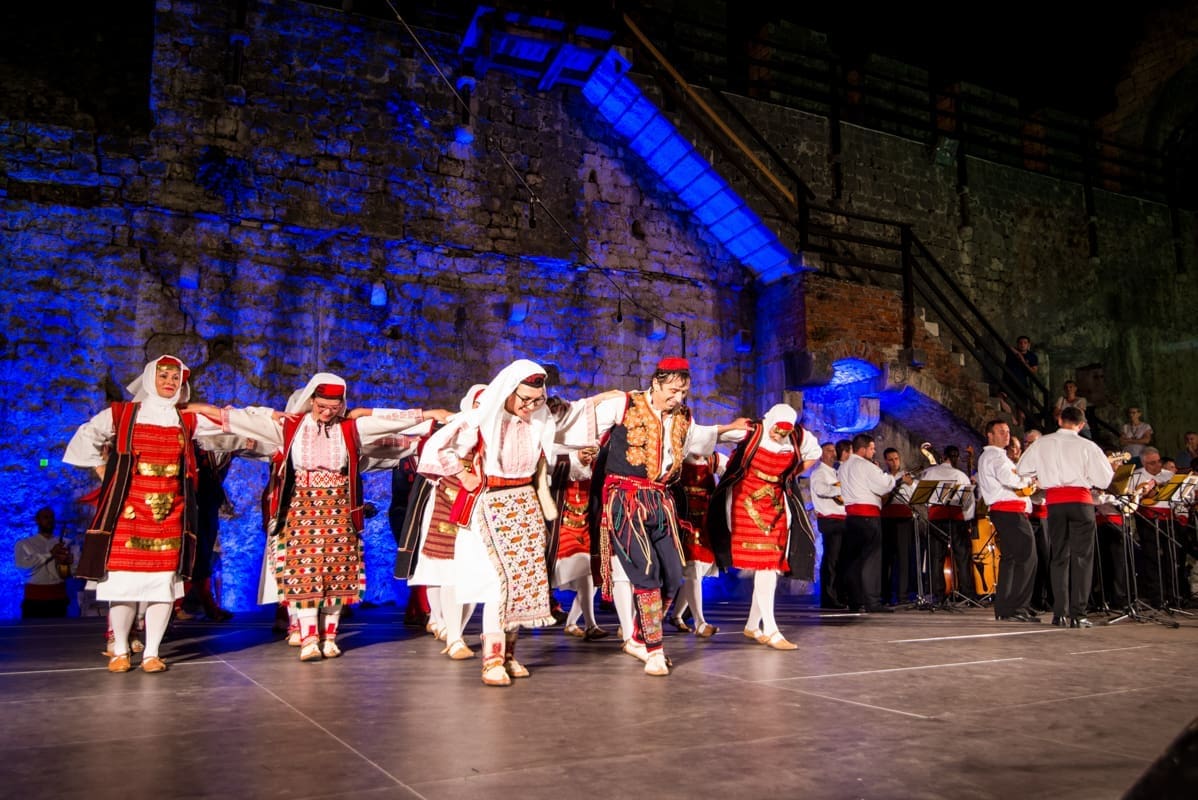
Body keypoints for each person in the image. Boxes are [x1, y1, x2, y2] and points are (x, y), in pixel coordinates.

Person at [189, 373, 444, 661]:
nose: (327, 412)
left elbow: (389, 422)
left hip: (339, 510)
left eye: (334, 407)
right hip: (301, 509)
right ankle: (309, 638)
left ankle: (330, 637)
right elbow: (240, 420)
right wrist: (194, 409)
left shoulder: (349, 427)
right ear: (311, 400)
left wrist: (428, 415)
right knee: (304, 574)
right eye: (322, 406)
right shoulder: (290, 426)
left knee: (338, 575)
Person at [417, 360, 602, 686]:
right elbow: (436, 447)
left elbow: (554, 452)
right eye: (524, 399)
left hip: (525, 506)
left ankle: (508, 655)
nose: (530, 406)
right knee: (497, 584)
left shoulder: (539, 422)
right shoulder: (481, 420)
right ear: (507, 392)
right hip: (490, 505)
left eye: (537, 400)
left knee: (522, 585)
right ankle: (491, 660)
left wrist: (579, 456)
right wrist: (463, 474)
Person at [591, 357, 750, 676]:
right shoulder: (625, 404)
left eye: (684, 393)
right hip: (625, 496)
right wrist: (597, 399)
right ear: (656, 382)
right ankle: (654, 651)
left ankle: (637, 638)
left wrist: (729, 429)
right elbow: (580, 424)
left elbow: (700, 437)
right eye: (673, 391)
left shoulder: (683, 417)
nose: (678, 398)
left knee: (675, 573)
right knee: (646, 572)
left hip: (660, 498)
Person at [64, 355, 222, 673]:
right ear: (151, 378)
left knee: (162, 585)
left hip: (170, 513)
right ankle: (121, 649)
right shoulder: (123, 414)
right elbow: (86, 436)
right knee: (123, 584)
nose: (169, 382)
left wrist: (272, 422)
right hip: (129, 512)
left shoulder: (185, 419)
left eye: (175, 378)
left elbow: (230, 425)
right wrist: (105, 473)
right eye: (164, 376)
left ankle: (151, 653)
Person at [707, 404, 820, 649]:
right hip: (746, 500)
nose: (778, 436)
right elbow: (711, 437)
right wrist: (729, 426)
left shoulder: (799, 436)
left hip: (775, 502)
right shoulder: (752, 431)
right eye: (776, 431)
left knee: (772, 565)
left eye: (783, 433)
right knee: (766, 564)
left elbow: (815, 452)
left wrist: (791, 473)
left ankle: (752, 625)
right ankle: (771, 629)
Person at [1017, 406, 1114, 627]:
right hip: (1080, 501)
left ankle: (1059, 613)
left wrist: (1042, 474)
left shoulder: (1042, 443)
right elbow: (1104, 480)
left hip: (1055, 503)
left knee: (1059, 556)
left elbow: (1022, 469)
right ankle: (1078, 615)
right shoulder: (1088, 446)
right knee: (1082, 558)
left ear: (1059, 420)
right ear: (1081, 425)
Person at [838, 433, 912, 612]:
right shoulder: (866, 465)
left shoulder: (843, 466)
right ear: (863, 449)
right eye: (871, 448)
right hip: (868, 516)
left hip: (851, 517)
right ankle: (872, 602)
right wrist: (894, 479)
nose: (874, 451)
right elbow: (885, 486)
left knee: (854, 561)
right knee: (872, 560)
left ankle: (855, 601)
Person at [976, 420, 1039, 622]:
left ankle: (1005, 607)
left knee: (1010, 559)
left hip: (1004, 512)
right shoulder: (996, 456)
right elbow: (1009, 479)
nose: (1006, 435)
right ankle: (1018, 606)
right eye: (1001, 432)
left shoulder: (993, 456)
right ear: (990, 435)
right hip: (1010, 512)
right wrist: (1027, 481)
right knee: (1027, 557)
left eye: (1008, 431)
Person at [668, 452, 727, 636]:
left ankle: (677, 616)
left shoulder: (714, 459)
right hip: (683, 523)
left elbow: (730, 476)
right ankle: (700, 622)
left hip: (704, 522)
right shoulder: (676, 459)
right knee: (692, 568)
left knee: (697, 571)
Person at [920, 445, 975, 603]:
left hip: (936, 517)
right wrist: (967, 519)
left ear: (943, 456)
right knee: (962, 557)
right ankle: (967, 594)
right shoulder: (961, 475)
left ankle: (938, 594)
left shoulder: (930, 473)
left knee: (936, 557)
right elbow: (969, 501)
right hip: (957, 518)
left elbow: (923, 497)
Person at [14, 507, 74, 618]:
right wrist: (50, 554)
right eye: (46, 517)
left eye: (52, 517)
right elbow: (23, 568)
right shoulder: (24, 544)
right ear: (37, 520)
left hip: (59, 600)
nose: (49, 520)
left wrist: (68, 563)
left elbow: (72, 572)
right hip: (34, 601)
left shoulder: (66, 543)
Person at [810, 441, 847, 609]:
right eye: (829, 451)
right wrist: (842, 490)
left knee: (840, 560)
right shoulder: (819, 473)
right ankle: (829, 598)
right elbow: (821, 490)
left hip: (841, 519)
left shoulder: (836, 472)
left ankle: (839, 595)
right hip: (830, 520)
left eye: (834, 451)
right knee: (831, 560)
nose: (833, 453)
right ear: (821, 454)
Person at [880, 447, 915, 605]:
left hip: (904, 519)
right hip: (886, 518)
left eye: (896, 459)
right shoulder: (882, 477)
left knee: (903, 558)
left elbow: (914, 497)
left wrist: (910, 484)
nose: (894, 462)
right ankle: (885, 595)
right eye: (891, 459)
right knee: (886, 558)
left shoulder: (908, 476)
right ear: (885, 461)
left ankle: (903, 595)